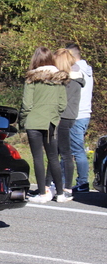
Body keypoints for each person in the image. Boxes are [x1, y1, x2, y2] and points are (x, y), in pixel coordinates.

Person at [19, 47, 70, 203]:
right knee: (53, 157)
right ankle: (60, 193)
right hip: (51, 121)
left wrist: (22, 120)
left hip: (34, 121)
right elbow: (63, 104)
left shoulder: (31, 79)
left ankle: (42, 193)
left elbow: (27, 104)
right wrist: (54, 115)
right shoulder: (59, 79)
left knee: (38, 158)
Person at [45, 48, 85, 198]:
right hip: (65, 116)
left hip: (64, 117)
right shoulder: (71, 79)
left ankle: (67, 188)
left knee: (64, 153)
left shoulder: (70, 81)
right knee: (55, 152)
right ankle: (48, 185)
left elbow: (61, 101)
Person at [66, 43, 93, 193]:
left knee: (76, 150)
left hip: (77, 114)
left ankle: (82, 182)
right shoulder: (87, 69)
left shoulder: (76, 70)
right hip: (83, 114)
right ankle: (70, 181)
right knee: (70, 150)